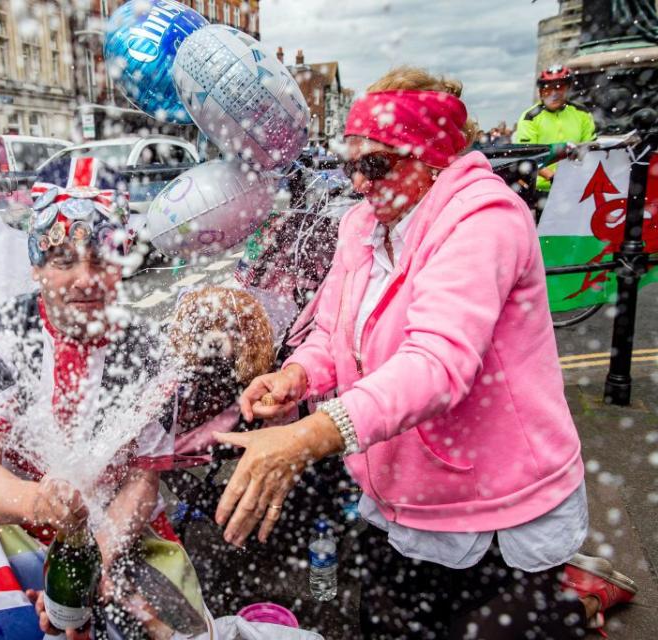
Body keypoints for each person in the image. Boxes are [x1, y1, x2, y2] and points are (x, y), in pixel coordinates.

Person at [213, 67, 634, 638]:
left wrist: (304, 438)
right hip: (402, 493)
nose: (359, 183)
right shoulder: (363, 226)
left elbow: (437, 364)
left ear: (430, 159)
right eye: (350, 163)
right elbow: (333, 332)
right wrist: (297, 376)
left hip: (494, 502)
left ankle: (574, 608)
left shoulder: (484, 221)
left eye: (375, 164)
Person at [0, 158, 210, 640]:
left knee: (179, 630)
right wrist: (37, 501)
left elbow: (141, 481)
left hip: (118, 526)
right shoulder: (0, 334)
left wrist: (97, 561)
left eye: (102, 258)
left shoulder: (148, 349)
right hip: (11, 521)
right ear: (37, 267)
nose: (86, 279)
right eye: (64, 259)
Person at [513, 65, 596, 192]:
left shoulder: (582, 113)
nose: (553, 94)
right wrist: (552, 176)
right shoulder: (530, 117)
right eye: (547, 89)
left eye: (559, 87)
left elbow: (590, 148)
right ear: (540, 92)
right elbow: (527, 155)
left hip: (577, 185)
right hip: (542, 188)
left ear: (568, 89)